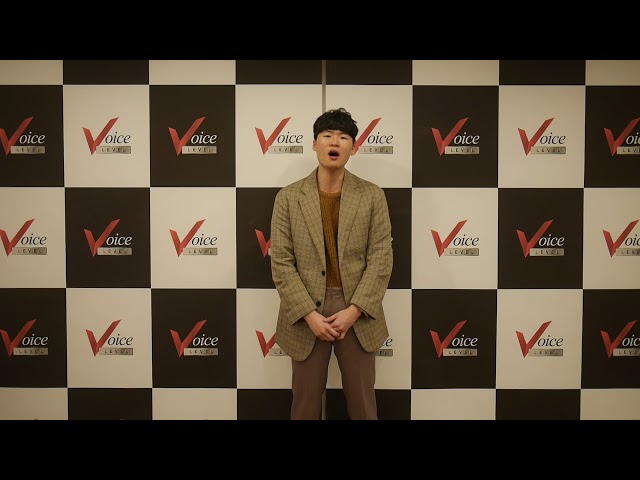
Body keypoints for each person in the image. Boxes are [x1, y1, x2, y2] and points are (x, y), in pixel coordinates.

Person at [270, 107, 393, 420]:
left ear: (354, 147)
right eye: (327, 136)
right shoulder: (288, 197)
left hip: (357, 310)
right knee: (304, 406)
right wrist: (309, 315)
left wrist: (354, 310)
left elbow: (381, 258)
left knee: (364, 405)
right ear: (314, 144)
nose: (334, 142)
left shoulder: (372, 195)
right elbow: (281, 263)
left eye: (343, 137)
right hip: (306, 312)